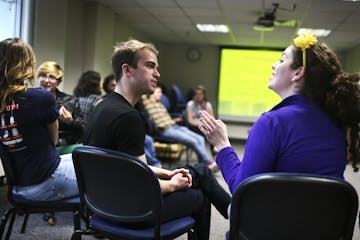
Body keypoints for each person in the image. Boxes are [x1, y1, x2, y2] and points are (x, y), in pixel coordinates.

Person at [84, 39, 230, 239]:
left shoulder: (101, 107)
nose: (158, 74)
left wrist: (168, 173)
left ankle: (233, 209)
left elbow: (127, 166)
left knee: (200, 173)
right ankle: (236, 213)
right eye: (150, 66)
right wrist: (173, 184)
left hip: (103, 206)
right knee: (200, 196)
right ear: (127, 70)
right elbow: (142, 184)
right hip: (134, 212)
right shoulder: (128, 117)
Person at [198, 33, 360, 194]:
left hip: (273, 219)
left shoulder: (272, 123)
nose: (273, 65)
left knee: (204, 186)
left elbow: (242, 190)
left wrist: (222, 144)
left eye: (282, 60)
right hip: (325, 219)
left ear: (298, 73)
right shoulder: (336, 122)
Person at [0, 38, 78, 216]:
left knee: (84, 154)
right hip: (44, 182)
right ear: (28, 65)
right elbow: (53, 141)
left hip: (17, 186)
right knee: (105, 171)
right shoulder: (41, 98)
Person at [141, 86, 217, 169]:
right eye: (159, 92)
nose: (161, 94)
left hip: (174, 126)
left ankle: (203, 165)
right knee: (193, 141)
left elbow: (164, 118)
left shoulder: (160, 104)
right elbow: (142, 91)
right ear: (151, 93)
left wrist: (174, 120)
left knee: (200, 138)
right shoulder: (146, 101)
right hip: (165, 130)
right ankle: (208, 163)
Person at [37, 61, 85, 146]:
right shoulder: (30, 98)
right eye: (43, 75)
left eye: (52, 77)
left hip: (62, 146)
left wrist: (71, 122)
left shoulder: (70, 101)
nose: (47, 80)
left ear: (58, 82)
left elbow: (83, 129)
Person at [186, 85, 216, 156]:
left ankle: (214, 153)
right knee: (206, 132)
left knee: (213, 131)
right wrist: (201, 124)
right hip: (194, 126)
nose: (198, 96)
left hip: (205, 125)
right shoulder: (190, 104)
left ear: (204, 95)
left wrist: (204, 109)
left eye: (200, 94)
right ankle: (203, 156)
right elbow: (190, 121)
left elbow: (212, 119)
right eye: (196, 94)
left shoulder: (208, 105)